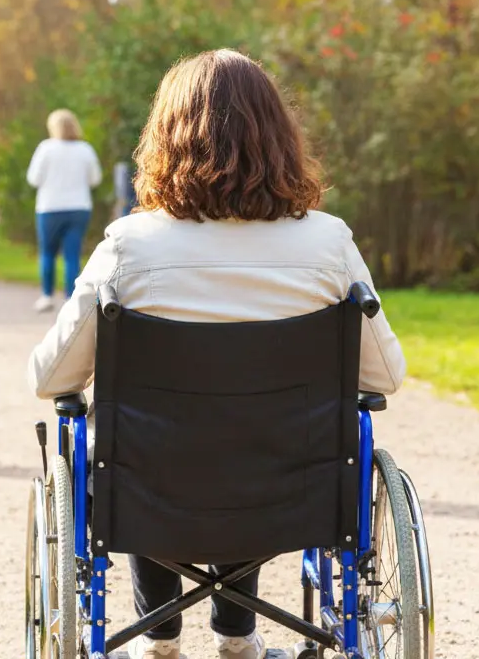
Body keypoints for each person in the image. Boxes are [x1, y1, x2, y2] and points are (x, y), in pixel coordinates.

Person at [27, 50, 408, 659]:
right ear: (280, 139)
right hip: (291, 488)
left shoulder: (131, 246)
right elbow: (386, 374)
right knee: (250, 438)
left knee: (133, 443)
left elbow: (53, 377)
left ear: (166, 140)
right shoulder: (329, 242)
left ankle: (159, 640)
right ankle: (236, 637)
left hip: (151, 486)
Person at [26, 108, 102, 313]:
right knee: (72, 255)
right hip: (78, 207)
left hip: (49, 208)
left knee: (48, 253)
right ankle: (71, 297)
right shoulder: (85, 149)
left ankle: (47, 296)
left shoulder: (46, 149)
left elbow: (33, 179)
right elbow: (95, 179)